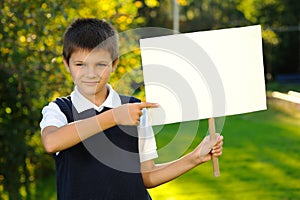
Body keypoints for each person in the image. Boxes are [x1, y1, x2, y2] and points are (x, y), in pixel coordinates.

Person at [40, 18, 224, 200]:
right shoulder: (59, 110)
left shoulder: (135, 110)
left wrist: (195, 157)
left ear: (114, 63)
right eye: (80, 64)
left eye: (100, 64)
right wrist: (114, 117)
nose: (90, 73)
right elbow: (51, 142)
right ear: (66, 63)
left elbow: (147, 175)